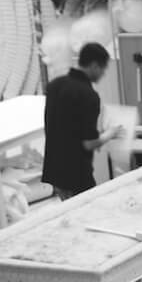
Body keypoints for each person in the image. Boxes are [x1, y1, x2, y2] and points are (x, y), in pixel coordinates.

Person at [43, 43, 124, 201]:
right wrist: (110, 134)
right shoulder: (88, 95)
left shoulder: (55, 85)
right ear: (94, 66)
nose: (103, 74)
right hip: (76, 173)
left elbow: (65, 127)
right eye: (103, 69)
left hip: (54, 169)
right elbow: (88, 143)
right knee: (85, 215)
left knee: (69, 214)